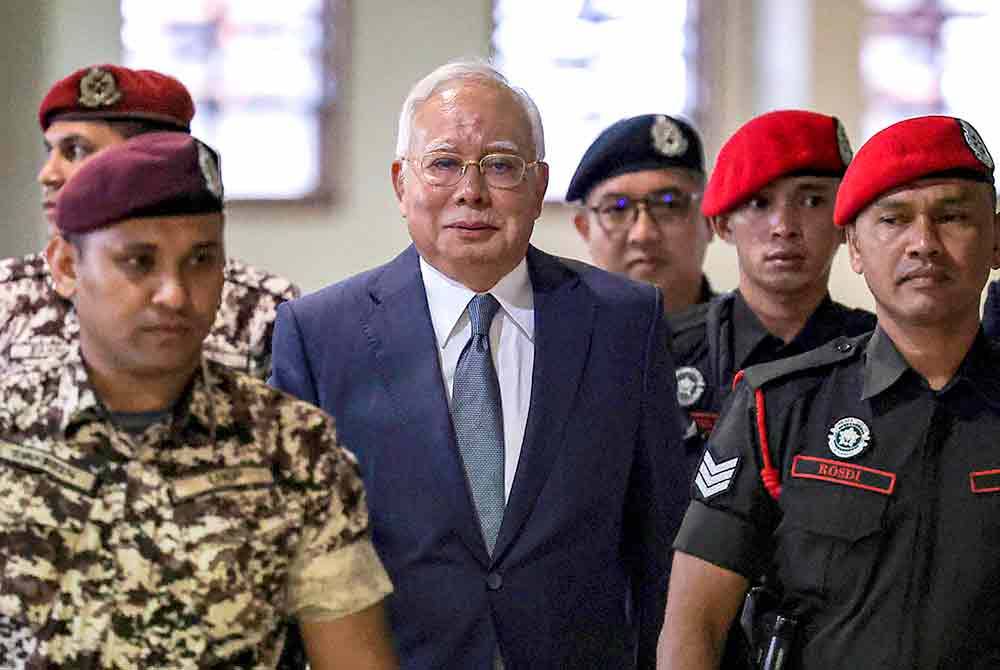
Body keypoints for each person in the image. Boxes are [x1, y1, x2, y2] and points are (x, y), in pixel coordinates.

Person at [269, 60, 688, 670]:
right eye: (443, 164)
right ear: (401, 184)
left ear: (539, 185)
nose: (472, 191)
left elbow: (661, 542)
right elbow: (290, 559)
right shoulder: (319, 334)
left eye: (500, 165)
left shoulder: (624, 321)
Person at [0, 131, 397, 669]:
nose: (175, 293)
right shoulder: (10, 431)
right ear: (68, 267)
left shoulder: (292, 449)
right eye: (139, 262)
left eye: (201, 260)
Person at [658, 115, 1000, 669]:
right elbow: (693, 627)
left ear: (996, 240)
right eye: (894, 219)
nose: (924, 244)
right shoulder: (777, 405)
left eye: (953, 216)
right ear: (855, 247)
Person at [0, 63, 298, 378]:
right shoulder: (8, 297)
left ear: (157, 162)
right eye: (50, 152)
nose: (47, 174)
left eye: (75, 151)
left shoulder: (261, 311)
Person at [669, 110, 875, 454]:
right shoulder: (666, 352)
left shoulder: (880, 355)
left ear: (844, 223)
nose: (784, 227)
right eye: (759, 203)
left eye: (812, 201)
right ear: (723, 224)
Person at [567, 114, 715, 314]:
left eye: (668, 205)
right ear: (585, 229)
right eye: (617, 209)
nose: (643, 234)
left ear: (709, 218)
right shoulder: (552, 332)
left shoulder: (751, 331)